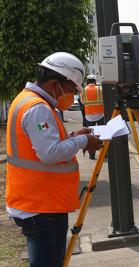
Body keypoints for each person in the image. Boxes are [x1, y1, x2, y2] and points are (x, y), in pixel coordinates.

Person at [5, 52, 103, 267]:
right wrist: (83, 141)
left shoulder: (27, 100)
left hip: (37, 202)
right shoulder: (37, 108)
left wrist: (73, 137)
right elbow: (49, 154)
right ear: (55, 84)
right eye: (70, 90)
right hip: (42, 207)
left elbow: (39, 147)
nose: (70, 96)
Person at [80, 74, 105, 159]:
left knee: (91, 136)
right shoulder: (100, 89)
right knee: (103, 134)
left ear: (87, 82)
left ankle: (92, 155)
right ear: (95, 81)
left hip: (89, 116)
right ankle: (104, 154)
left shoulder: (83, 91)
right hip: (101, 114)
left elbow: (83, 103)